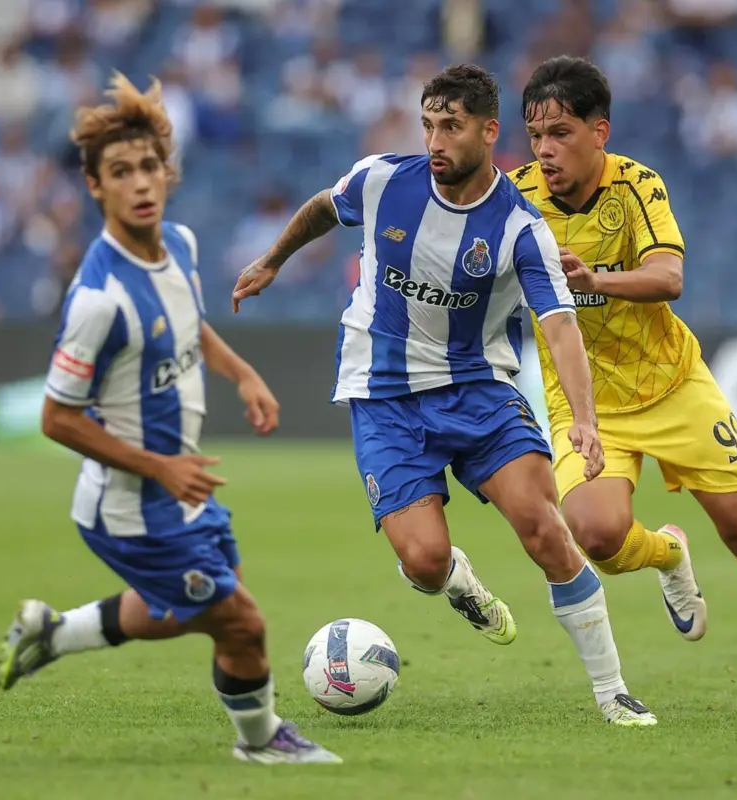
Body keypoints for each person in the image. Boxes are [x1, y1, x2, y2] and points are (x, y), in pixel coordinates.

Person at [233, 64, 656, 727]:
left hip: (478, 390)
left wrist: (586, 421)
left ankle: (612, 692)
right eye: (428, 124)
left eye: (451, 126)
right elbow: (323, 206)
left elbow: (560, 327)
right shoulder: (381, 180)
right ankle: (453, 578)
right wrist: (273, 259)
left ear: (488, 132)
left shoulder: (520, 229)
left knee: (546, 528)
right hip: (384, 395)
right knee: (425, 563)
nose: (435, 140)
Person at [0, 72, 341, 765]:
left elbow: (190, 325)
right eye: (120, 172)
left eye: (149, 166)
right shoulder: (97, 300)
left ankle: (51, 635)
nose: (140, 183)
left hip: (178, 492)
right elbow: (56, 418)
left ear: (168, 172)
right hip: (132, 507)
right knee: (242, 623)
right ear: (96, 187)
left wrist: (241, 374)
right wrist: (161, 467)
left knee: (177, 607)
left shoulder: (178, 242)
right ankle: (262, 742)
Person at [510, 56, 737, 710]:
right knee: (599, 537)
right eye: (535, 133)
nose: (545, 148)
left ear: (599, 132)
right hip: (585, 398)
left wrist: (594, 281)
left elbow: (669, 278)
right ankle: (667, 556)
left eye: (561, 133)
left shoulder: (637, 187)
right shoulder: (514, 199)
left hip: (671, 385)